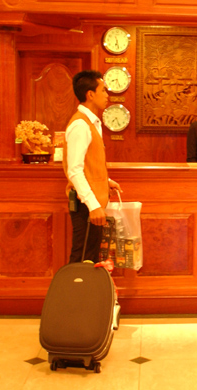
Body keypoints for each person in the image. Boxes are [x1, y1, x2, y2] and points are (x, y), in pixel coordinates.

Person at [64, 70, 122, 263]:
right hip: (86, 205)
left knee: (90, 258)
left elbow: (91, 164)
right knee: (82, 258)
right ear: (90, 94)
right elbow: (75, 170)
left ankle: (83, 293)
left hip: (93, 203)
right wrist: (93, 206)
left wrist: (107, 182)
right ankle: (72, 293)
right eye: (103, 90)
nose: (107, 95)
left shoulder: (91, 122)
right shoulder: (80, 125)